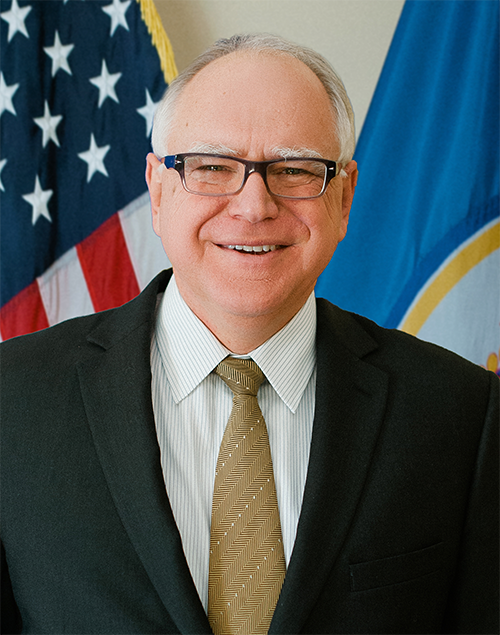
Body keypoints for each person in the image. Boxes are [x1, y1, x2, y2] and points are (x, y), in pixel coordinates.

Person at [0, 34, 499, 635]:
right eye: (212, 168)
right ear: (159, 190)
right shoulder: (13, 401)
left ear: (343, 197)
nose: (254, 205)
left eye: (294, 170)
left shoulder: (462, 412)